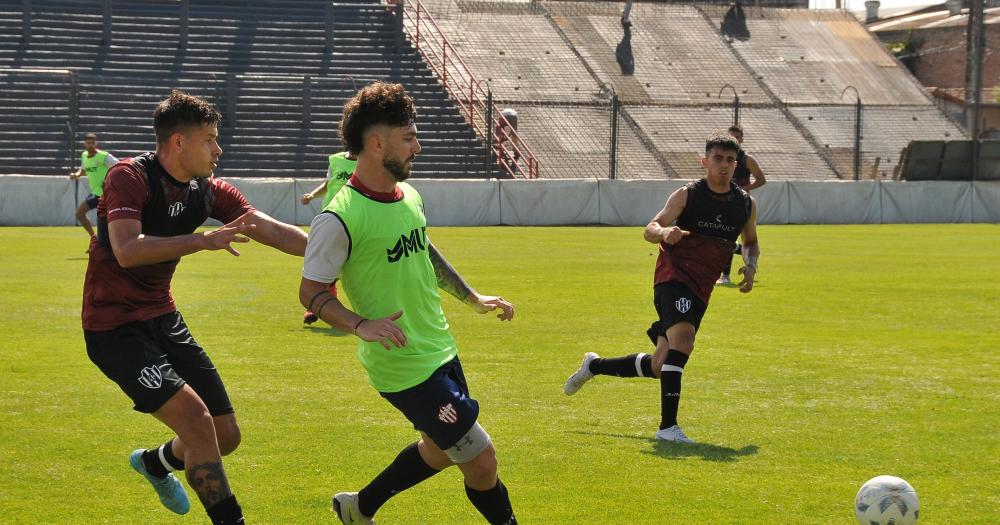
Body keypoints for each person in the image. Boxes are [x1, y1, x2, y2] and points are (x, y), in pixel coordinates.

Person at [82, 90, 308, 524]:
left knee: (225, 435)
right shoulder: (129, 177)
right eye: (209, 139)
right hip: (114, 328)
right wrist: (201, 241)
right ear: (179, 142)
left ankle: (155, 463)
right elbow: (126, 249)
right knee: (198, 423)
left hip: (162, 317)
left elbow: (262, 225)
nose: (218, 150)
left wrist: (334, 250)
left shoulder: (207, 190)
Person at [299, 81, 518, 525]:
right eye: (409, 137)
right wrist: (362, 325)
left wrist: (470, 296)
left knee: (439, 450)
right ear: (377, 143)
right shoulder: (339, 217)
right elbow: (311, 292)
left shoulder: (409, 196)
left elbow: (424, 250)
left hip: (439, 348)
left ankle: (358, 507)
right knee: (480, 458)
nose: (418, 146)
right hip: (402, 364)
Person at [563, 131, 760, 444]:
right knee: (684, 341)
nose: (724, 165)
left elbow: (750, 243)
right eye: (718, 158)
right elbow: (650, 228)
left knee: (661, 364)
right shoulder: (687, 194)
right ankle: (668, 428)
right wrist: (665, 231)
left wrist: (750, 267)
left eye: (730, 160)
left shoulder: (745, 205)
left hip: (701, 287)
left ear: (737, 164)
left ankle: (594, 366)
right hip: (673, 277)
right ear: (705, 160)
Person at [300, 151, 358, 325]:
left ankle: (322, 304)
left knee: (350, 265)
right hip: (330, 217)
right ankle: (314, 307)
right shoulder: (335, 160)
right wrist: (312, 195)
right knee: (321, 263)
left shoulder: (368, 161)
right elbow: (328, 183)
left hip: (355, 218)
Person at [718, 124, 766, 285]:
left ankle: (727, 275)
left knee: (728, 238)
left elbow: (761, 179)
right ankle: (746, 261)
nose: (734, 140)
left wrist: (745, 188)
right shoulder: (721, 158)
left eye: (737, 137)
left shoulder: (747, 159)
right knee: (724, 238)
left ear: (741, 140)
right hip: (723, 202)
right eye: (731, 137)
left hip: (741, 204)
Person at [69, 132, 118, 246]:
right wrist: (76, 175)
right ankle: (95, 240)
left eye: (92, 143)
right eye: (88, 143)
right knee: (80, 213)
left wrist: (109, 180)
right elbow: (83, 170)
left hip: (107, 194)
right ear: (84, 144)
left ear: (96, 143)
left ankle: (103, 243)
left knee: (109, 220)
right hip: (97, 193)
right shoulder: (84, 155)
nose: (90, 145)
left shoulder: (103, 156)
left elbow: (119, 166)